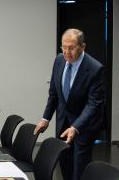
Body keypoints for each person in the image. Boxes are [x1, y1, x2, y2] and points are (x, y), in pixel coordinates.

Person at [34, 28, 105, 180]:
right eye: (63, 47)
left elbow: (93, 104)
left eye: (71, 48)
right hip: (63, 122)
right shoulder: (59, 60)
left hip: (84, 126)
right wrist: (46, 118)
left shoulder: (95, 69)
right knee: (64, 163)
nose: (66, 52)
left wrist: (75, 127)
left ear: (83, 47)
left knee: (79, 169)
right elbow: (54, 94)